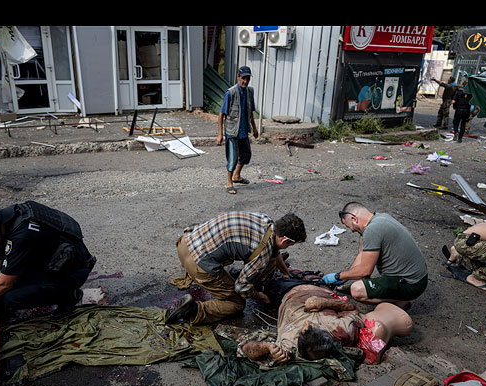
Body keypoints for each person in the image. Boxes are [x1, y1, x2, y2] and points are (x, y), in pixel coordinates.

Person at [0, 201, 96, 319]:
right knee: (7, 285)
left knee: (10, 298)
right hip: (61, 258)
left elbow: (3, 285)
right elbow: (0, 256)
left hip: (74, 269)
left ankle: (68, 296)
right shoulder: (10, 217)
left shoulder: (22, 236)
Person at [168, 211, 306, 325]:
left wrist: (285, 272)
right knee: (236, 303)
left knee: (267, 261)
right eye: (290, 244)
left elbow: (274, 252)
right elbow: (241, 287)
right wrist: (259, 296)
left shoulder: (266, 221)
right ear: (285, 241)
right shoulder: (262, 254)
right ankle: (193, 311)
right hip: (197, 263)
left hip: (186, 242)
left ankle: (250, 278)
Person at [239, 284, 413, 366]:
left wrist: (266, 347)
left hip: (288, 294)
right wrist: (325, 302)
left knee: (265, 282)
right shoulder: (342, 329)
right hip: (304, 292)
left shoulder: (289, 343)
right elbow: (352, 309)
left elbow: (246, 349)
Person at [322, 202, 428, 308]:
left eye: (349, 226)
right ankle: (394, 296)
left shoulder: (372, 231)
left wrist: (337, 276)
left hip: (412, 283)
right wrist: (343, 279)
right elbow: (362, 256)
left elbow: (365, 271)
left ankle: (400, 303)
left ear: (355, 219)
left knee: (357, 290)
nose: (352, 230)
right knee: (360, 280)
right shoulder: (379, 218)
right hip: (415, 277)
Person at [217, 66, 258, 195]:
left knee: (246, 155)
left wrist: (255, 128)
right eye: (243, 78)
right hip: (232, 132)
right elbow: (221, 115)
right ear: (238, 77)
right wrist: (220, 134)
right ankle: (229, 182)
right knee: (233, 158)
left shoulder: (249, 92)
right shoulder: (230, 93)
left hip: (244, 130)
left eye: (248, 78)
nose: (245, 81)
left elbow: (251, 112)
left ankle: (237, 176)